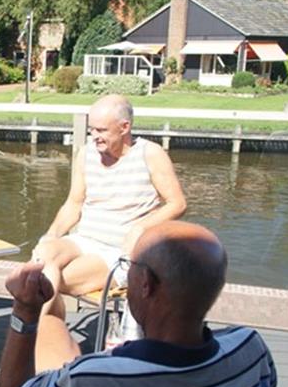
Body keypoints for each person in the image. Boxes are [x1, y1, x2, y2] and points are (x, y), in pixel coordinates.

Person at [0, 221, 277, 387]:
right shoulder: (252, 352)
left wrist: (25, 310)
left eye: (129, 264)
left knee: (47, 336)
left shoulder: (89, 380)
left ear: (146, 284)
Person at [32, 94, 186, 301]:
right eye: (91, 130)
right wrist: (51, 235)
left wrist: (140, 228)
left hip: (118, 250)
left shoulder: (150, 154)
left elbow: (177, 203)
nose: (94, 136)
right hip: (83, 240)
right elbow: (74, 203)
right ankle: (40, 320)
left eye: (101, 130)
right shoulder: (86, 153)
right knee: (40, 259)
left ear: (124, 127)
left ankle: (36, 322)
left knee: (52, 279)